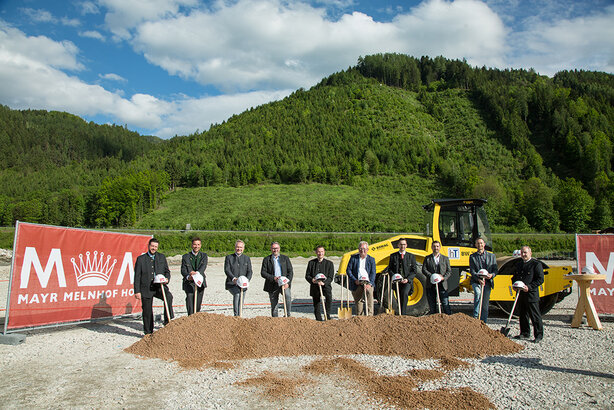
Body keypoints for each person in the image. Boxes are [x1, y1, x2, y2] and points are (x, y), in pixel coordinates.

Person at [134, 238, 174, 335]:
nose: (154, 248)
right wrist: (137, 291)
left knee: (169, 297)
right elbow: (137, 276)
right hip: (146, 287)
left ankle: (167, 320)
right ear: (148, 246)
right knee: (147, 311)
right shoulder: (141, 259)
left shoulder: (161, 257)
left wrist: (167, 279)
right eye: (152, 246)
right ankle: (148, 332)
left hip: (159, 287)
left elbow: (167, 271)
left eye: (156, 246)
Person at [512, 246, 544, 343]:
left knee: (535, 315)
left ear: (530, 253)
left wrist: (529, 287)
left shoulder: (536, 264)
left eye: (525, 252)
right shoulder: (519, 264)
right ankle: (525, 333)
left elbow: (540, 279)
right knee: (523, 315)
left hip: (531, 294)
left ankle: (538, 335)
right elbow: (514, 277)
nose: (523, 254)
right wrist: (514, 285)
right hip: (521, 294)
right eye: (522, 253)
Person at [260, 242, 294, 317]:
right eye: (273, 248)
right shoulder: (266, 259)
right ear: (271, 249)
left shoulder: (285, 258)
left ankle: (288, 315)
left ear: (279, 249)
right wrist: (273, 278)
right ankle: (275, 320)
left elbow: (290, 271)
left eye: (277, 248)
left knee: (287, 296)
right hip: (272, 284)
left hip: (284, 284)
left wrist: (287, 282)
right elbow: (263, 272)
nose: (275, 250)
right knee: (274, 305)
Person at [469, 237, 498, 323]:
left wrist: (491, 275)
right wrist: (478, 279)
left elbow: (495, 270)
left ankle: (483, 321)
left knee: (485, 303)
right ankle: (475, 317)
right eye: (478, 243)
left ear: (484, 244)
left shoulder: (491, 256)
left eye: (481, 243)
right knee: (478, 294)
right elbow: (472, 270)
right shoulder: (472, 257)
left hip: (488, 282)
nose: (480, 245)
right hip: (476, 281)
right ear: (475, 245)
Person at [386, 238, 417, 315]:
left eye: (404, 244)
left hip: (407, 281)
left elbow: (414, 270)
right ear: (398, 245)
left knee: (404, 294)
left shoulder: (411, 256)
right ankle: (399, 313)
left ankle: (403, 314)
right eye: (401, 244)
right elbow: (390, 269)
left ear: (406, 245)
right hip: (397, 282)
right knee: (399, 297)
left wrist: (408, 279)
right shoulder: (393, 256)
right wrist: (394, 276)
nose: (402, 246)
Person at [305, 245, 335, 321]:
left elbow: (331, 277)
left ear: (324, 252)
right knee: (316, 303)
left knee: (329, 299)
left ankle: (327, 316)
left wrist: (324, 283)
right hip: (315, 286)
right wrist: (312, 280)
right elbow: (307, 275)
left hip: (325, 286)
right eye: (318, 252)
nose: (320, 253)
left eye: (321, 252)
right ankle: (318, 318)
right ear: (316, 252)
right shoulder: (311, 263)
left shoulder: (329, 264)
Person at [346, 241, 376, 316]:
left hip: (368, 282)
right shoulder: (353, 258)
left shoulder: (371, 259)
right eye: (361, 248)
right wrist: (354, 280)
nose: (363, 250)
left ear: (367, 250)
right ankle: (360, 316)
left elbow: (373, 273)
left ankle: (370, 315)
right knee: (358, 301)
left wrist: (370, 283)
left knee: (369, 295)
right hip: (357, 282)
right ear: (358, 249)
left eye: (364, 249)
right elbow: (348, 270)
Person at [224, 240, 253, 316]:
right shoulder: (229, 257)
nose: (239, 249)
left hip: (243, 284)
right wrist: (233, 279)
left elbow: (250, 271)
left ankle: (240, 314)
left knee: (242, 297)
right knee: (237, 294)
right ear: (235, 247)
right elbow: (227, 269)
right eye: (237, 247)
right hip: (232, 283)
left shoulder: (247, 258)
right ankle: (236, 315)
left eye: (240, 247)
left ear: (243, 248)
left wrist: (247, 280)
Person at [422, 240, 452, 315]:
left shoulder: (445, 258)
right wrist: (431, 276)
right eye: (434, 246)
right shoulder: (427, 258)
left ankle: (448, 320)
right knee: (432, 305)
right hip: (430, 284)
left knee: (445, 304)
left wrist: (443, 278)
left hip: (442, 285)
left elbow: (449, 271)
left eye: (437, 246)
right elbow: (424, 269)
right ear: (432, 247)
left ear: (440, 247)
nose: (436, 248)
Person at [180, 237, 208, 316]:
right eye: (195, 244)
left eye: (198, 244)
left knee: (198, 304)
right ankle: (190, 318)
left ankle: (196, 319)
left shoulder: (204, 255)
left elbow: (203, 267)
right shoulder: (186, 256)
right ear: (192, 245)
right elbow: (183, 270)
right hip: (189, 282)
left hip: (200, 283)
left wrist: (197, 274)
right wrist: (189, 275)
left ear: (200, 245)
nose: (196, 246)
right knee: (190, 300)